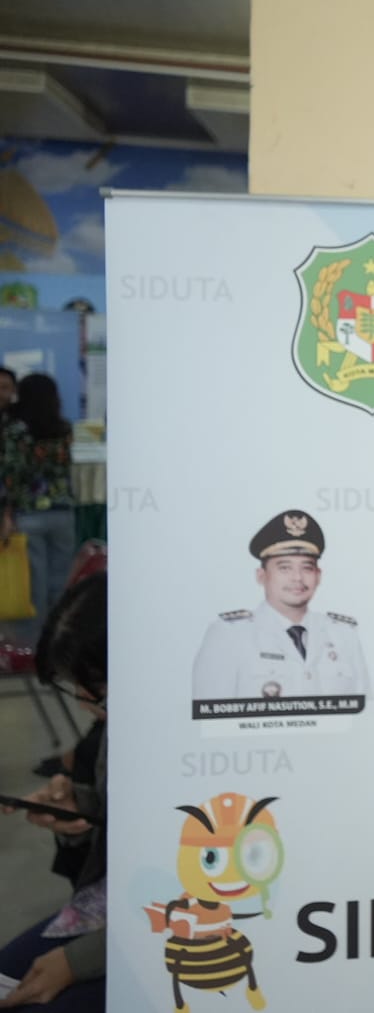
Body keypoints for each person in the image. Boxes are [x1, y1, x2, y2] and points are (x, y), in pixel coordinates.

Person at [0, 572, 108, 1011]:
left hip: (169, 927)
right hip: (108, 906)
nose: (85, 703)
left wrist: (77, 962)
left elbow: (209, 893)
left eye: (96, 689)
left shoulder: (205, 749)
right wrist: (78, 814)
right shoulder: (106, 735)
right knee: (8, 976)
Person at [190, 510, 367, 701]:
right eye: (285, 568)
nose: (297, 577)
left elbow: (365, 713)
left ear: (318, 576)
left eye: (307, 568)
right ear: (261, 576)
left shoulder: (343, 635)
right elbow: (209, 714)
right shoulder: (230, 636)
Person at [0, 373, 75, 649]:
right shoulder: (64, 429)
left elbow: (12, 474)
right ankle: (59, 644)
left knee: (32, 584)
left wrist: (6, 513)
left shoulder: (16, 430)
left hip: (28, 513)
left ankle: (30, 646)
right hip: (63, 513)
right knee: (61, 583)